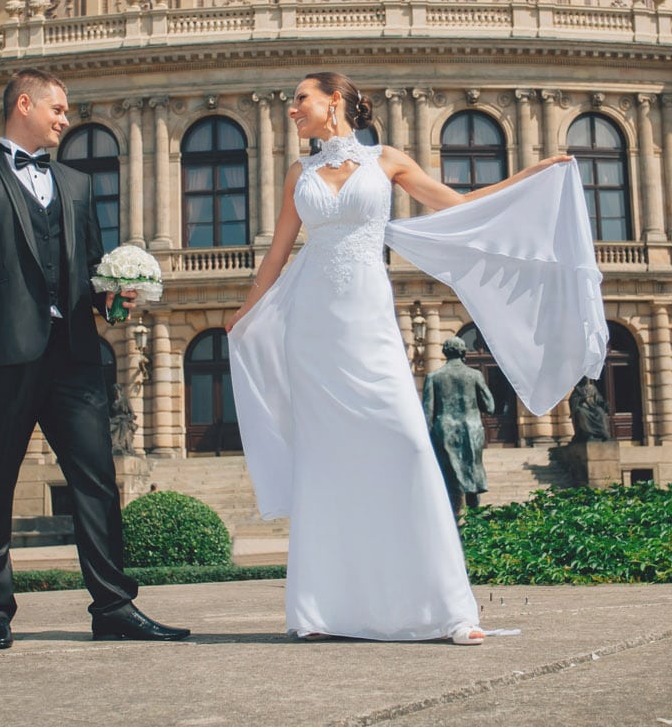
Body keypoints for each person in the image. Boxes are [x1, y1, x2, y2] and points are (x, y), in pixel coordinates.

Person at [228, 71, 606, 645]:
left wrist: (531, 176)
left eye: (300, 99)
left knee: (405, 442)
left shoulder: (388, 161)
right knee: (325, 460)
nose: (291, 109)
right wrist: (243, 315)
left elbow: (457, 206)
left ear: (335, 101)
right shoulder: (297, 174)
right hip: (310, 327)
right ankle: (322, 611)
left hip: (368, 321)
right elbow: (276, 259)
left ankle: (448, 611)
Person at [0, 68, 188, 650]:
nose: (66, 120)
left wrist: (117, 300)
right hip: (1, 358)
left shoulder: (75, 183)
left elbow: (92, 273)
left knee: (97, 481)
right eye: (59, 109)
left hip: (75, 353)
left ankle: (114, 607)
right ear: (25, 104)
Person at [423, 337, 492, 516]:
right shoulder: (475, 375)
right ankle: (476, 521)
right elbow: (490, 406)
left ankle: (454, 519)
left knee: (450, 476)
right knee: (472, 471)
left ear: (445, 353)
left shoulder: (433, 377)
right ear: (463, 352)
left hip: (444, 430)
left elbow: (427, 413)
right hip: (472, 429)